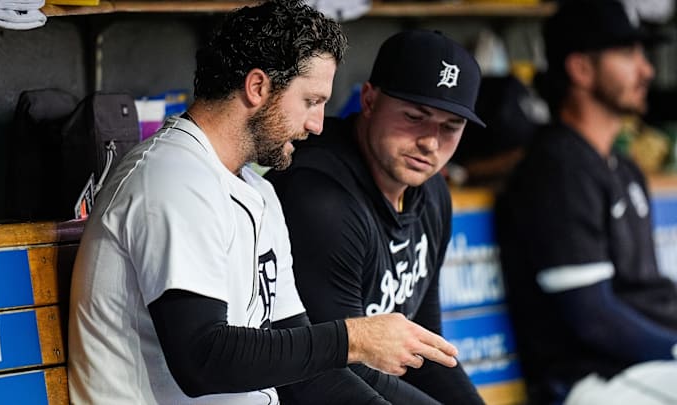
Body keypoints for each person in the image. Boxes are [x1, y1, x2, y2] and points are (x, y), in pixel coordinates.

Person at [67, 2, 463, 404]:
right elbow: (202, 359)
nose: (317, 124)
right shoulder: (171, 177)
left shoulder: (259, 192)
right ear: (258, 87)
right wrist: (353, 338)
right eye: (311, 101)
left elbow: (310, 377)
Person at [266, 29, 486, 405]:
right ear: (369, 100)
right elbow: (331, 370)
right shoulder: (320, 195)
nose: (430, 143)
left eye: (451, 127)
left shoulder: (432, 193)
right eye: (416, 117)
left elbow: (426, 344)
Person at [495, 1, 677, 404]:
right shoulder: (558, 167)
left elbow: (647, 295)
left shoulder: (623, 168)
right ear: (580, 69)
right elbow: (593, 319)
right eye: (628, 54)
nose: (646, 70)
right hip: (590, 380)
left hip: (644, 369)